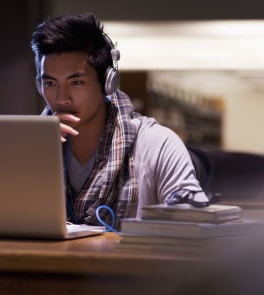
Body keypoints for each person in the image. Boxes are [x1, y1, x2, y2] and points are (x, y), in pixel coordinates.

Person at [30, 13, 208, 229]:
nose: (61, 98)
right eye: (50, 83)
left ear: (108, 83)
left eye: (76, 82)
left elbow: (194, 224)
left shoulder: (157, 144)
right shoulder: (30, 147)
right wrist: (34, 156)